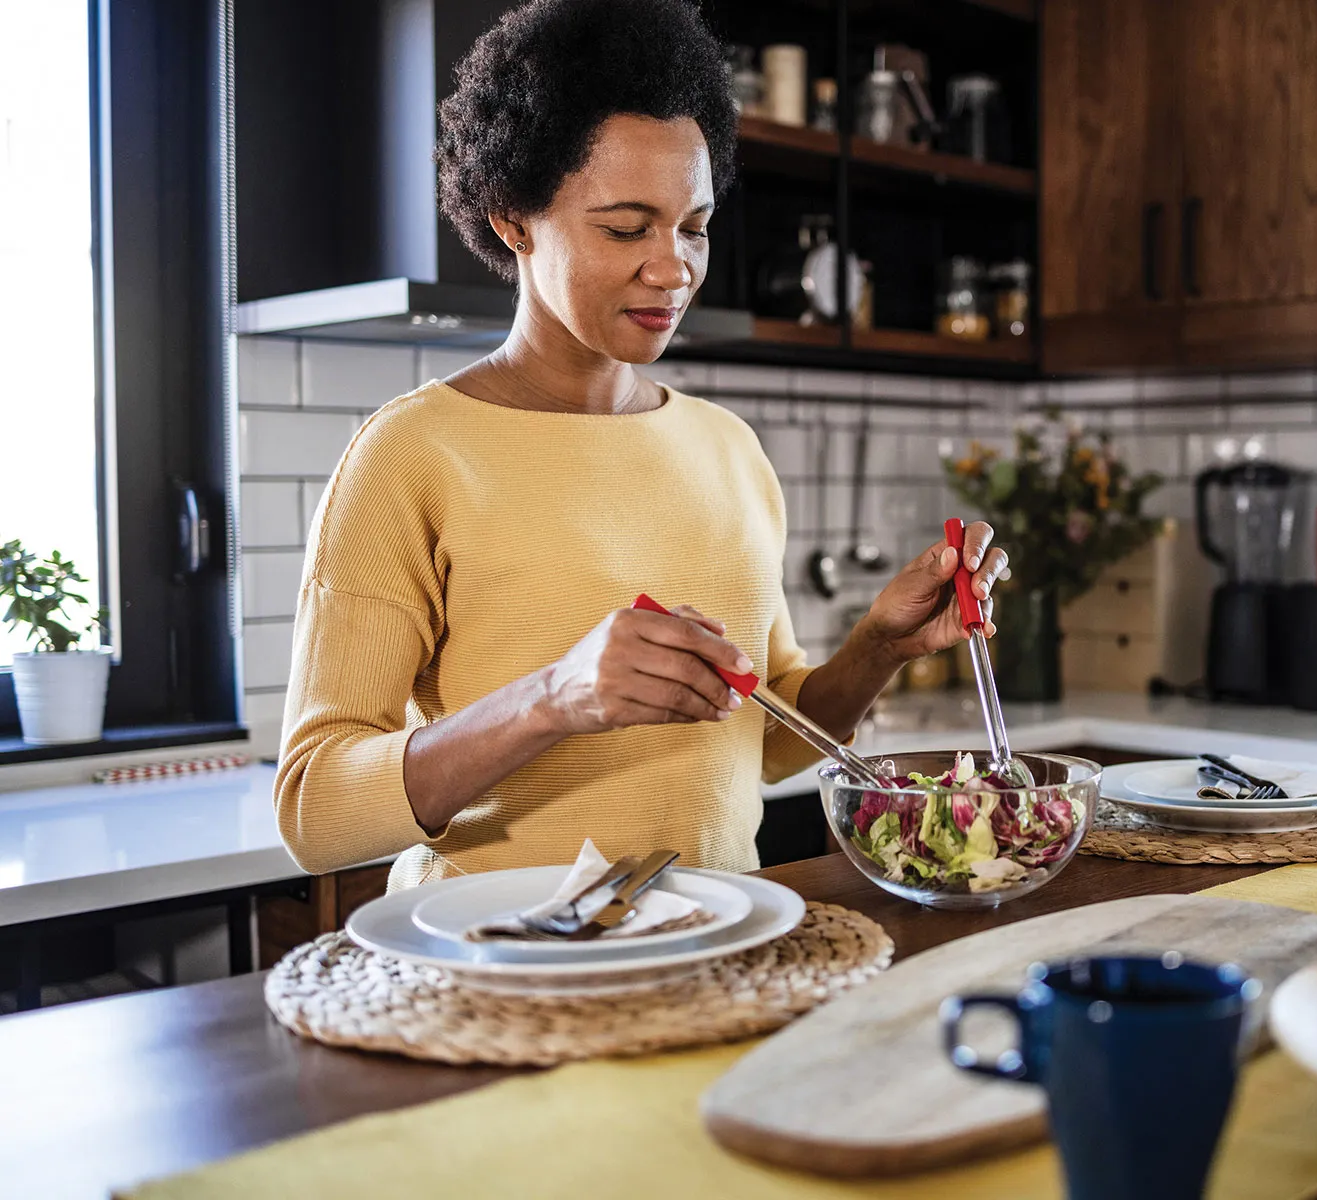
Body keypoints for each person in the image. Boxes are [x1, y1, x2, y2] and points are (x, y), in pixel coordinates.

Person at [274, 0, 1008, 888]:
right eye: (626, 228)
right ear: (513, 218)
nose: (674, 268)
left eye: (693, 226)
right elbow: (313, 811)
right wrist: (556, 697)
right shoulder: (411, 455)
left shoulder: (727, 447)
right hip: (505, 980)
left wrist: (878, 648)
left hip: (717, 947)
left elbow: (766, 739)